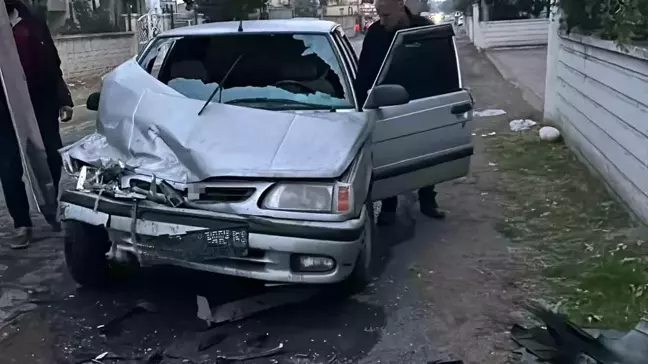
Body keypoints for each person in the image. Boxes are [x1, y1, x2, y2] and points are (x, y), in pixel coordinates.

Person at [355, 0, 445, 226]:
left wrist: (444, 100)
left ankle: (428, 200)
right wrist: (361, 104)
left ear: (400, 7)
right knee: (389, 155)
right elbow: (364, 72)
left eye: (385, 15)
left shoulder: (424, 28)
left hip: (422, 102)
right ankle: (388, 205)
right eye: (378, 14)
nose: (381, 20)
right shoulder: (375, 33)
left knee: (426, 153)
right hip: (387, 105)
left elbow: (442, 68)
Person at [0, 0, 73, 249]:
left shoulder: (32, 21)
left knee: (51, 157)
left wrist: (64, 99)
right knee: (9, 170)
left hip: (41, 104)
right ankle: (22, 223)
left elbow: (53, 62)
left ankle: (51, 207)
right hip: (4, 111)